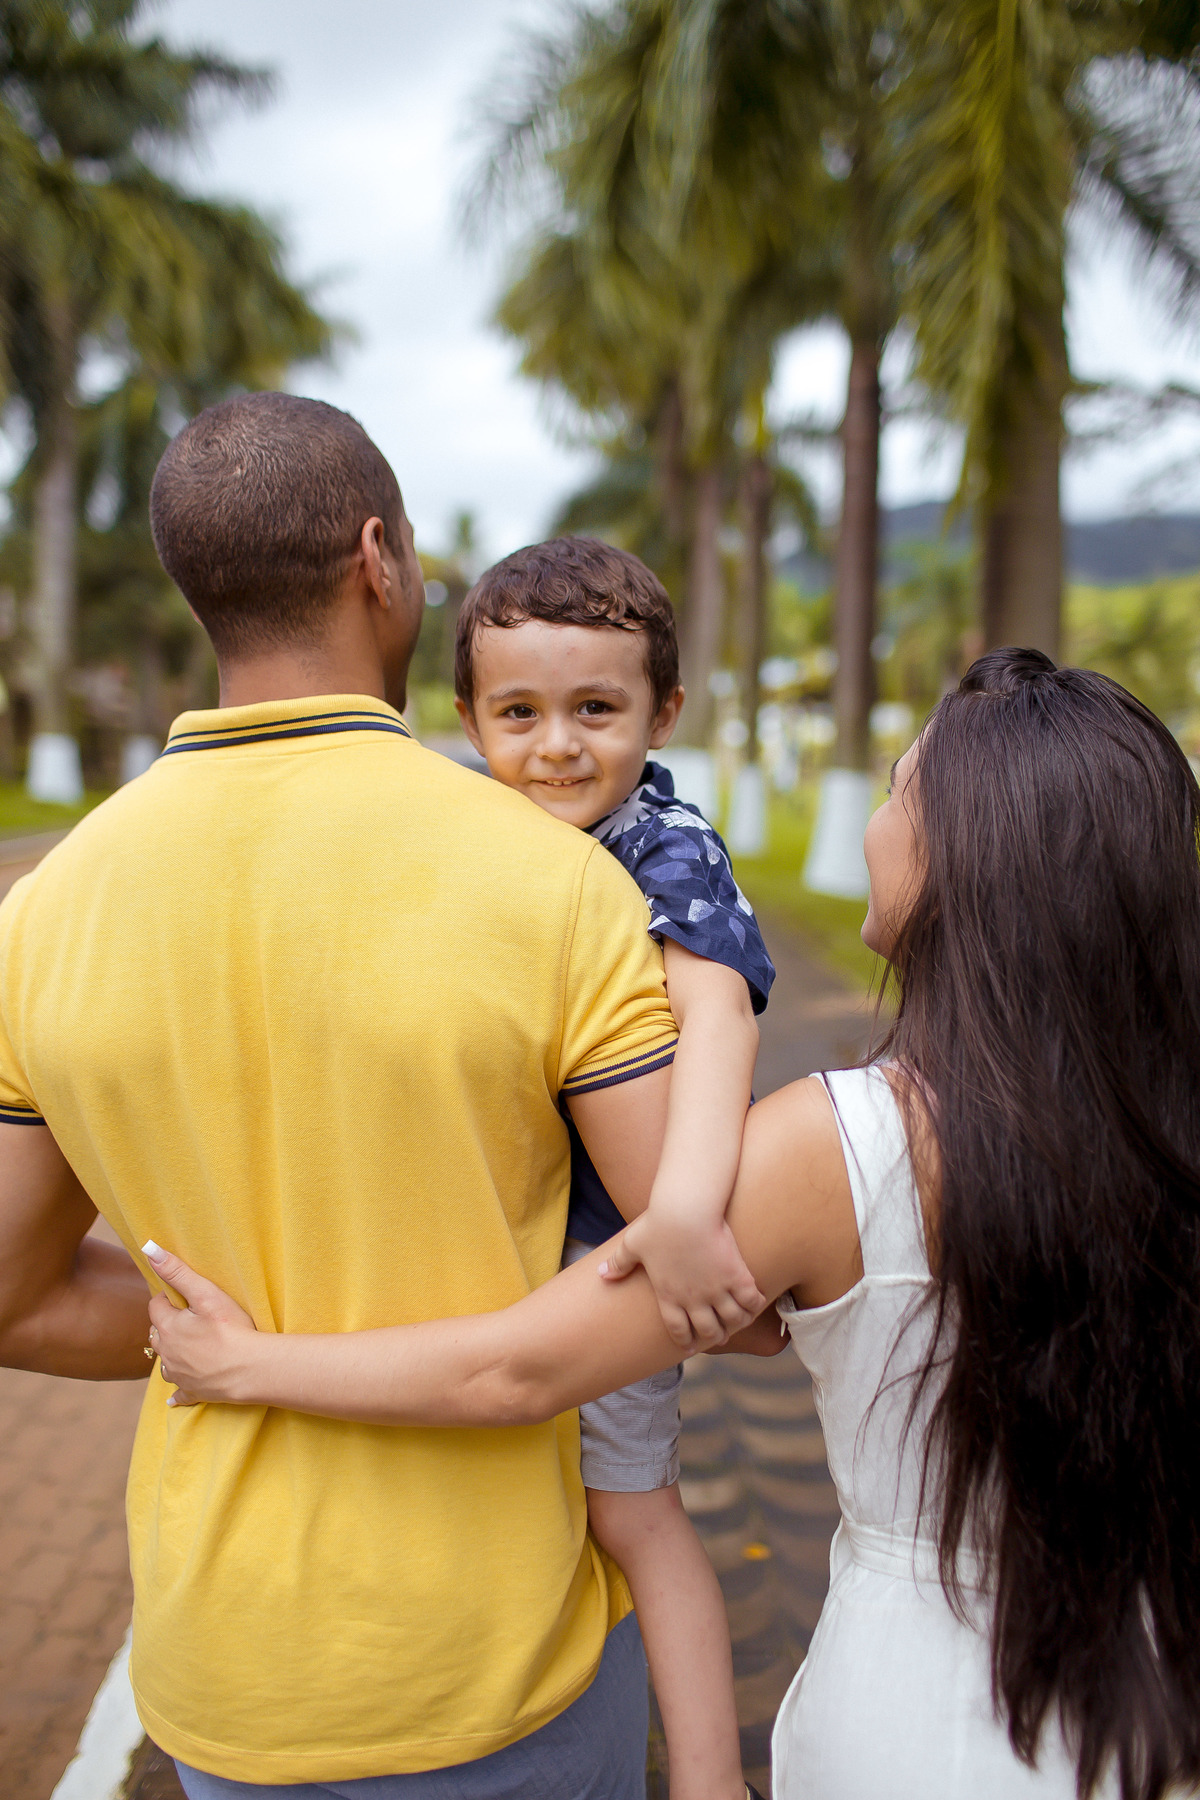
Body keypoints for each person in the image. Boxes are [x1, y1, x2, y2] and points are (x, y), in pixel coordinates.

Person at [152, 649, 1200, 1800]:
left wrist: (252, 1361)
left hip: (915, 1733)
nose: (877, 824)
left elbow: (518, 1369)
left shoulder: (837, 1146)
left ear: (972, 853)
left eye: (900, 790)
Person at [0, 392, 698, 1800]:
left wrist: (234, 1344)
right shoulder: (553, 882)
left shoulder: (42, 911)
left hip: (225, 1670)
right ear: (377, 558)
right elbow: (689, 1269)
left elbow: (7, 1295)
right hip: (498, 1653)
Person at [447, 536, 774, 1800]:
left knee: (636, 1516)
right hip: (525, 1229)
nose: (558, 747)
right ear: (469, 718)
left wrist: (685, 1214)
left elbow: (720, 1018)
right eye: (518, 714)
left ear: (664, 713)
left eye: (598, 710)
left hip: (623, 1242)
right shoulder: (491, 836)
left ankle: (705, 1777)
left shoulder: (666, 849)